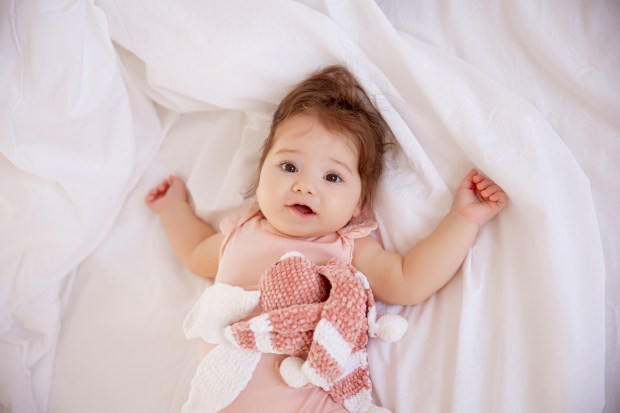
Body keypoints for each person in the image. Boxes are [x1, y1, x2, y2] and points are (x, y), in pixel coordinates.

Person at [145, 65, 508, 412]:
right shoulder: (240, 231)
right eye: (289, 167)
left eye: (332, 177)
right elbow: (195, 252)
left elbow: (408, 281)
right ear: (261, 173)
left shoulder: (344, 245)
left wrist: (462, 219)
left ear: (359, 203)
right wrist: (172, 208)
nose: (305, 185)